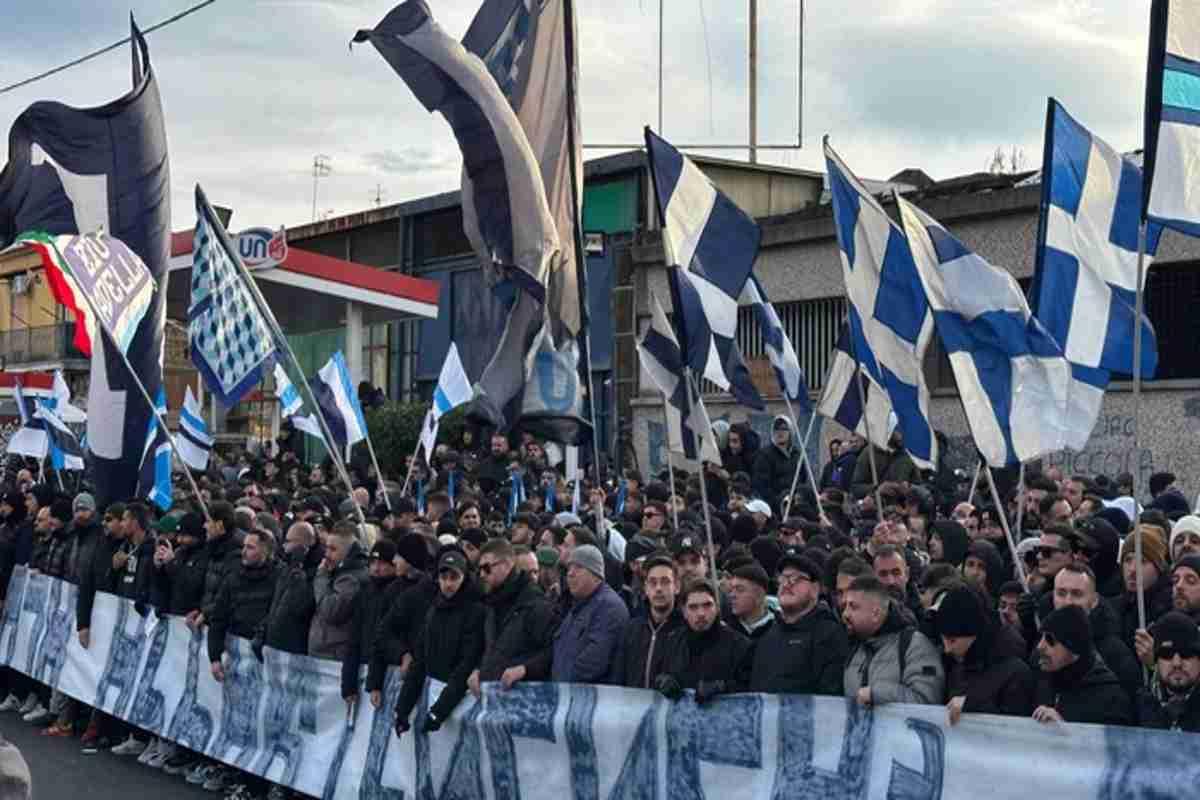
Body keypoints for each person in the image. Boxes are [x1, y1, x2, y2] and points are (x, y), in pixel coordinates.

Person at [394, 550, 485, 737]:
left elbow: (466, 665)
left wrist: (439, 711)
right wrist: (403, 709)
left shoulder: (476, 612)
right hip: (437, 700)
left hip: (459, 705)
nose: (448, 584)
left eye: (454, 577)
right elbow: (420, 660)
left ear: (464, 578)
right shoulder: (433, 610)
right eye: (444, 577)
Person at [750, 551, 848, 696]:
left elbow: (830, 696)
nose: (787, 584)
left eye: (796, 578)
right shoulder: (764, 634)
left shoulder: (829, 634)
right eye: (783, 578)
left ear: (815, 589)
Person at [935, 585, 1034, 724]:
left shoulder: (1016, 672)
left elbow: (1016, 732)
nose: (947, 649)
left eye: (952, 640)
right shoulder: (954, 663)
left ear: (974, 634)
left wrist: (973, 706)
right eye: (943, 638)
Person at [843, 576, 945, 707]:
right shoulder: (854, 648)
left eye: (853, 607)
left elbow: (926, 701)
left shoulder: (916, 647)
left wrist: (876, 694)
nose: (845, 614)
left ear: (875, 613)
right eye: (845, 606)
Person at [1030, 605, 1132, 726]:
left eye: (1050, 640)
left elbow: (1115, 744)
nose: (1040, 646)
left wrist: (1064, 728)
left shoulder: (1111, 699)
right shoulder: (1044, 679)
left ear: (1074, 648)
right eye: (1041, 637)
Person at [1049, 564, 1141, 697]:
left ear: (1094, 601)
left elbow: (1124, 709)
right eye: (1061, 593)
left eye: (1077, 594)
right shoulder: (1043, 646)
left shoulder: (1115, 654)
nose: (1068, 602)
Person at [655, 579, 752, 703]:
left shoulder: (740, 645)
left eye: (707, 605)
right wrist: (662, 680)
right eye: (693, 607)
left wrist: (723, 687)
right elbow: (658, 675)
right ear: (684, 611)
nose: (701, 613)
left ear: (717, 607)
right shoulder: (672, 641)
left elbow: (750, 690)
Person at [551, 545, 628, 683]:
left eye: (578, 567)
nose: (570, 573)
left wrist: (560, 687)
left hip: (595, 700)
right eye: (569, 568)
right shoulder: (579, 606)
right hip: (571, 696)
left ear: (596, 575)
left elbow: (593, 663)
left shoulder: (609, 607)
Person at [342, 539, 398, 707]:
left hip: (389, 676)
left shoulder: (399, 594)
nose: (376, 568)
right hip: (364, 671)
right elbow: (354, 638)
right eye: (373, 562)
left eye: (381, 563)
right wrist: (348, 683)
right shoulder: (365, 592)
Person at [614, 554, 684, 688]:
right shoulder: (631, 629)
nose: (658, 588)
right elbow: (618, 677)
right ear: (646, 588)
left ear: (677, 586)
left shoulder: (686, 631)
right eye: (653, 582)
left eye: (665, 582)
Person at [308, 523, 368, 660]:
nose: (326, 554)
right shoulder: (336, 572)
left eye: (333, 549)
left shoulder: (351, 579)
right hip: (325, 654)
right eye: (327, 548)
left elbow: (330, 611)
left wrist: (321, 576)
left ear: (348, 552)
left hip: (334, 656)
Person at [1136, 611, 1200, 731]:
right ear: (1156, 660)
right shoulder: (1142, 703)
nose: (1177, 663)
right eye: (1167, 655)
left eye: (1186, 654)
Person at [752, 416, 802, 509]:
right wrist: (777, 501)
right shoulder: (764, 455)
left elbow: (802, 478)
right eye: (776, 428)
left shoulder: (797, 455)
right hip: (775, 505)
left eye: (784, 429)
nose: (780, 432)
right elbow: (761, 484)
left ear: (790, 431)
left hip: (795, 504)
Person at [726, 562, 776, 639]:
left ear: (760, 594)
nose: (732, 595)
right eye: (731, 590)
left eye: (739, 589)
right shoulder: (725, 630)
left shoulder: (781, 627)